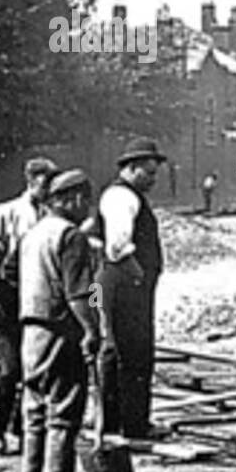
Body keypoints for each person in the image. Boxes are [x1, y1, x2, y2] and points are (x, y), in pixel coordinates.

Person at [17, 169, 102, 472]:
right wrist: (92, 330)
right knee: (64, 410)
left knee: (35, 411)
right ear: (71, 199)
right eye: (86, 199)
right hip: (59, 330)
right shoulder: (71, 237)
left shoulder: (34, 234)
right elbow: (79, 293)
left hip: (30, 330)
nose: (88, 208)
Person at [0, 156, 58, 455]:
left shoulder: (52, 217)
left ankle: (23, 430)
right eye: (45, 183)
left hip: (38, 301)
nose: (49, 190)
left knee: (35, 371)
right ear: (31, 181)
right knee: (9, 370)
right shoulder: (7, 212)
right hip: (9, 299)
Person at [95, 137, 166, 440]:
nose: (153, 180)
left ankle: (116, 423)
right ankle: (133, 425)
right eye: (148, 173)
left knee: (121, 353)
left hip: (127, 284)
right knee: (134, 354)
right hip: (127, 284)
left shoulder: (125, 195)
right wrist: (138, 273)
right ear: (132, 167)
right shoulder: (121, 197)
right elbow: (117, 245)